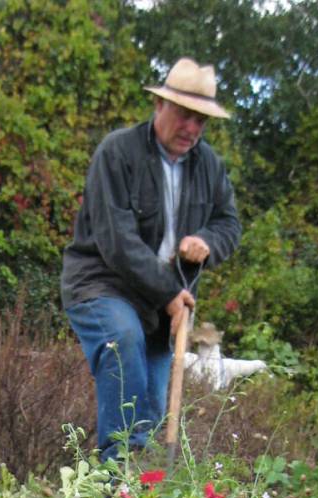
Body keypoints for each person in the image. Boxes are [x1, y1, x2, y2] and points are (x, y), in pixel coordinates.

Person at [61, 59, 241, 464]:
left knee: (152, 419)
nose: (192, 128)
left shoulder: (209, 165)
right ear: (160, 107)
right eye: (184, 115)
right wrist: (170, 294)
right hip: (103, 285)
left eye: (201, 120)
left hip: (164, 308)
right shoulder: (118, 152)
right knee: (123, 345)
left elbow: (229, 224)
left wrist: (206, 241)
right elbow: (117, 241)